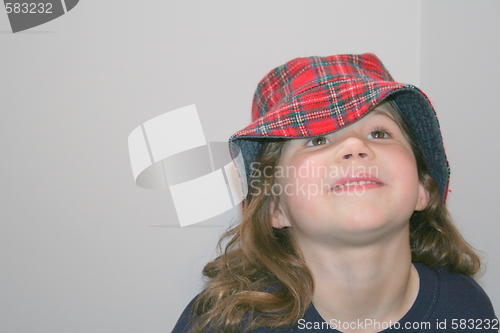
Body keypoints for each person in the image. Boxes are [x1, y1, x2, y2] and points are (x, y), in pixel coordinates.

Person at [172, 53, 498, 332]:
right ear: (275, 206)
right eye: (316, 139)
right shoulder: (224, 322)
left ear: (422, 190)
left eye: (379, 132)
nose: (355, 145)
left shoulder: (467, 309)